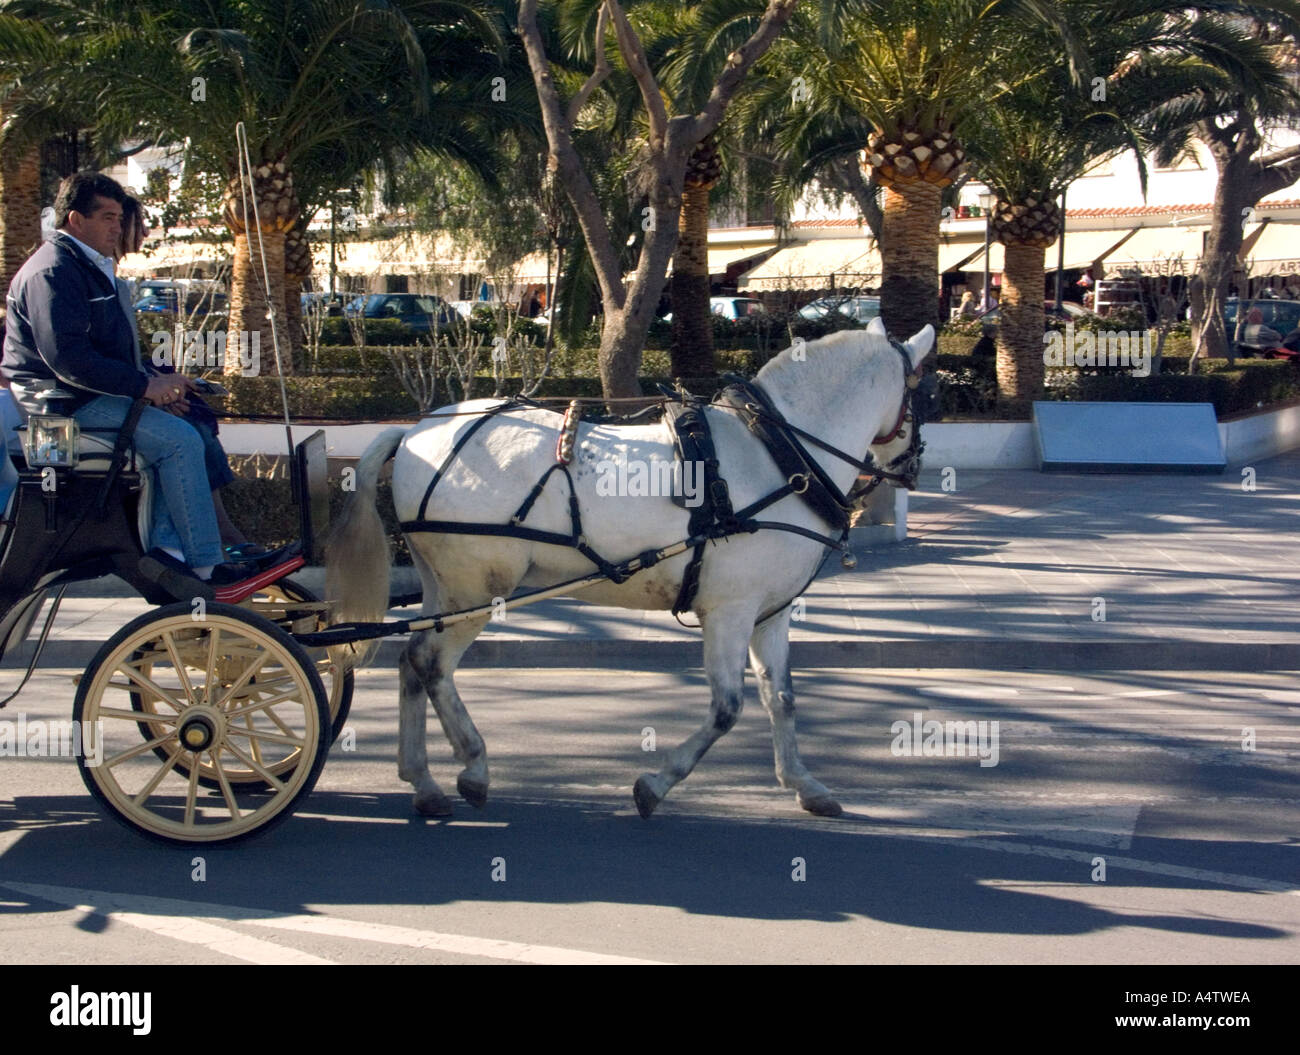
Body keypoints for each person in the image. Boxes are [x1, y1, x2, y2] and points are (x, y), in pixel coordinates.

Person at [2, 171, 270, 584]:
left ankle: (170, 548)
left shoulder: (83, 267)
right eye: (108, 217)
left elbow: (111, 353)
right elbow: (68, 360)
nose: (118, 226)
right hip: (61, 408)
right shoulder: (53, 272)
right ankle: (203, 563)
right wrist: (146, 387)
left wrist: (160, 386)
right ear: (75, 220)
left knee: (182, 426)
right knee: (178, 442)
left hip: (84, 399)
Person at [114, 194, 257, 555]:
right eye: (136, 224)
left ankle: (222, 531)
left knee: (200, 422)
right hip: (112, 399)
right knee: (187, 434)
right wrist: (148, 392)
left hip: (130, 388)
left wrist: (162, 387)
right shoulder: (100, 277)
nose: (144, 232)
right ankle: (201, 543)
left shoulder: (112, 277)